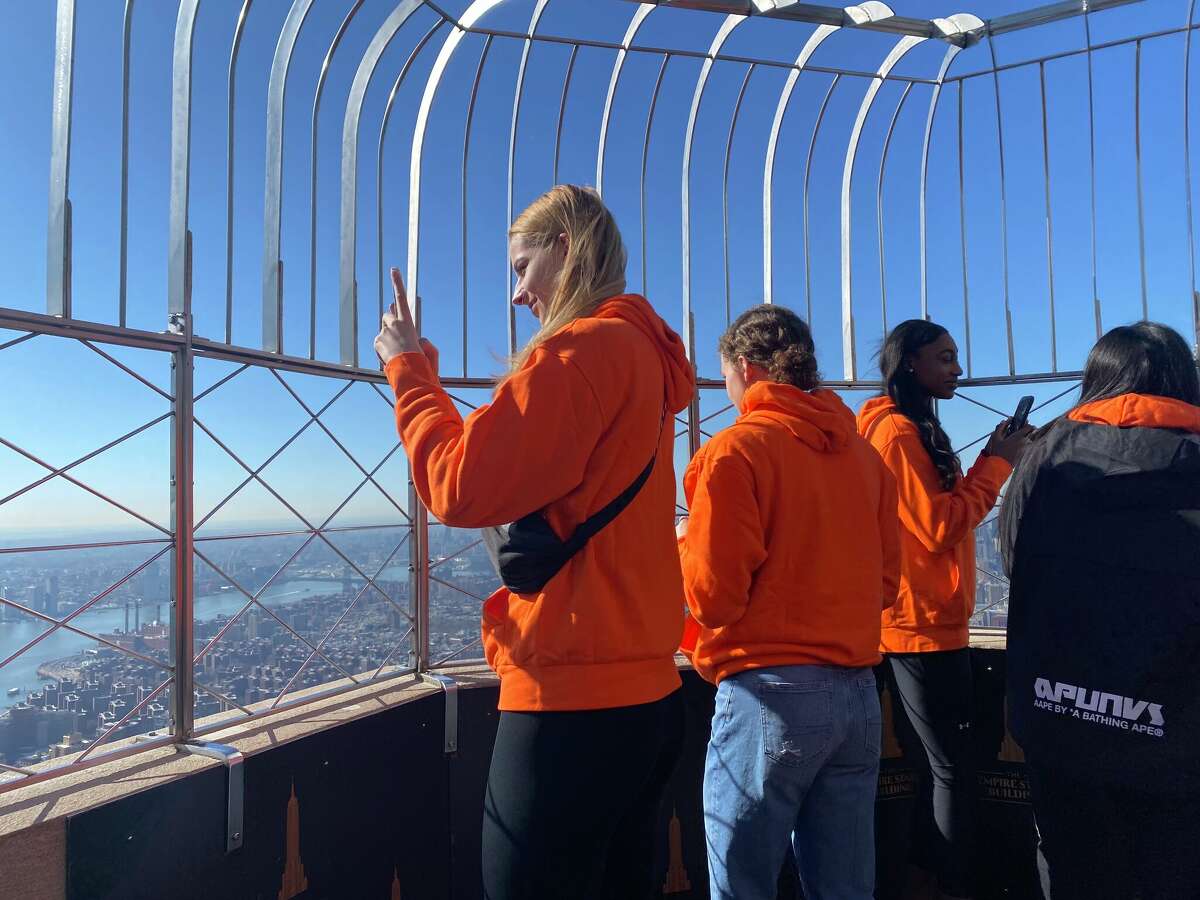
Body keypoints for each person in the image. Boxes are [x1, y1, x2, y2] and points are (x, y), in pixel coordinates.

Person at [374, 185, 695, 900]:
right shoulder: (643, 357)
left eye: (523, 268)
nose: (519, 294)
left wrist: (409, 372)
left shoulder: (585, 350)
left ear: (565, 249)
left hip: (571, 704)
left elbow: (459, 484)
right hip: (648, 693)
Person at [676, 304, 901, 900]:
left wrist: (684, 546)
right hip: (858, 695)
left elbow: (713, 599)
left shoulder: (734, 452)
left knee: (743, 881)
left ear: (747, 369)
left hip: (766, 696)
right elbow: (887, 585)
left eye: (725, 375)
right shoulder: (867, 461)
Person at [999, 321, 1200, 900]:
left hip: (1057, 712)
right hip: (1177, 728)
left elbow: (1015, 560)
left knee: (1070, 864)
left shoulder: (1045, 453)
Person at [857, 319, 1031, 900]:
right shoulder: (899, 436)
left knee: (942, 767)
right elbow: (939, 526)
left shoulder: (913, 429)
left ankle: (933, 875)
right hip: (920, 627)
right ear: (911, 363)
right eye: (946, 357)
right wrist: (998, 463)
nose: (957, 368)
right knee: (953, 769)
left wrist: (990, 456)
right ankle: (956, 884)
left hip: (926, 620)